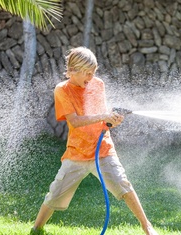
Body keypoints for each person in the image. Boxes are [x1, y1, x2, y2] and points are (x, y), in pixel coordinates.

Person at [30, 47, 158, 235]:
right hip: (77, 153)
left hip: (102, 150)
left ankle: (147, 226)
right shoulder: (62, 90)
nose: (91, 77)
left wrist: (111, 120)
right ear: (73, 70)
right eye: (87, 73)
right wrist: (103, 116)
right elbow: (74, 121)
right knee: (55, 194)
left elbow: (102, 120)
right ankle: (36, 228)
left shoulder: (97, 85)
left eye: (93, 73)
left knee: (123, 184)